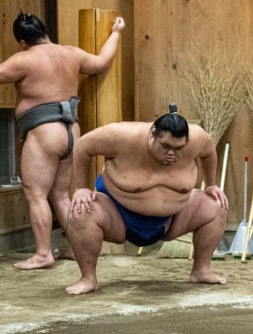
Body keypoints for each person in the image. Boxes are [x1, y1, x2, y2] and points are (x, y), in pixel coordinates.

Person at [0, 12, 126, 270]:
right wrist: (116, 33)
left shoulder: (25, 58)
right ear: (44, 32)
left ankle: (44, 253)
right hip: (71, 130)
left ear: (23, 42)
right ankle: (77, 248)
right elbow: (102, 61)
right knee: (61, 196)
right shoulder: (72, 53)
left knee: (36, 194)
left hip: (44, 132)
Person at [63, 107, 229, 295]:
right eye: (165, 146)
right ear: (152, 134)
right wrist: (81, 188)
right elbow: (82, 146)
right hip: (117, 216)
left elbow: (209, 151)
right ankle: (88, 278)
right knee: (80, 210)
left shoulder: (198, 138)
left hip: (171, 220)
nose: (171, 154)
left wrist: (211, 184)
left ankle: (201, 270)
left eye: (178, 149)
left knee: (218, 204)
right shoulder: (122, 136)